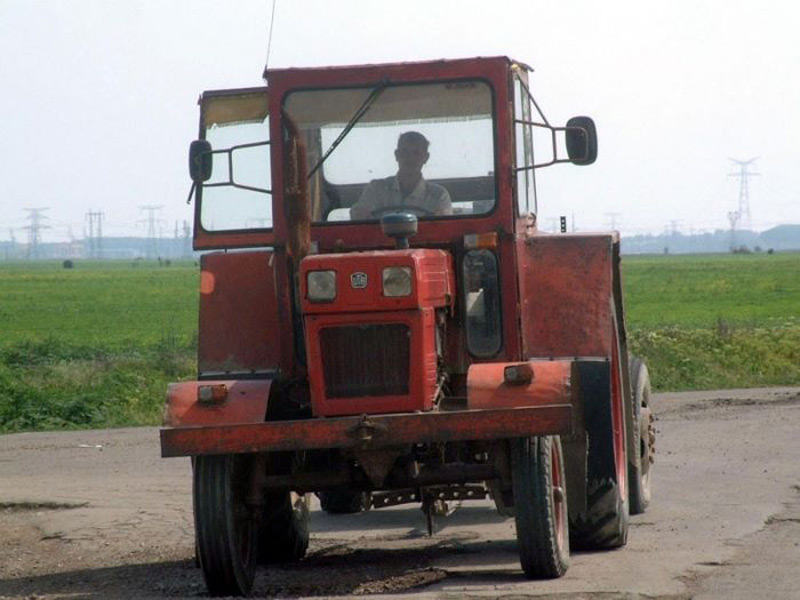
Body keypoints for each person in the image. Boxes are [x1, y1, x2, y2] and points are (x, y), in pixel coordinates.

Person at [350, 131, 452, 219]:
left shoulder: (439, 196)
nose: (410, 158)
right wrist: (360, 213)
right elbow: (358, 217)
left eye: (416, 153)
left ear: (426, 157)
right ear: (396, 155)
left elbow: (443, 227)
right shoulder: (375, 189)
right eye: (404, 152)